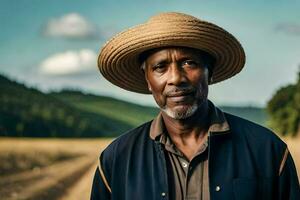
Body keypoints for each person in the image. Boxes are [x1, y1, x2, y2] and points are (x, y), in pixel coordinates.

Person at [90, 12, 300, 200]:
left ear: (210, 72)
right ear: (147, 79)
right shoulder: (116, 160)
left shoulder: (266, 149)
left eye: (189, 63)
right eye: (160, 67)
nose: (176, 78)